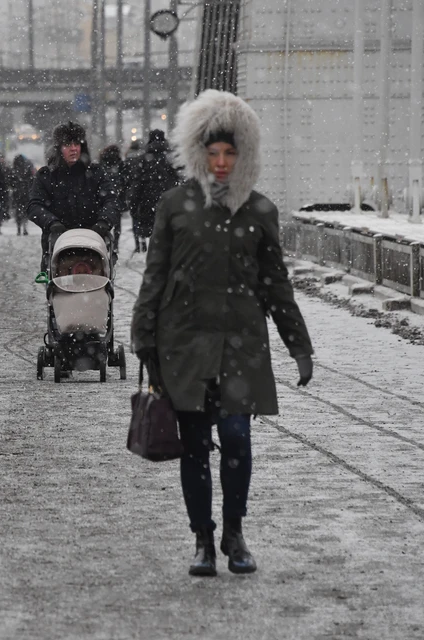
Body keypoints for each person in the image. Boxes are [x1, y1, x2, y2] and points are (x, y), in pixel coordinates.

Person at [130, 89, 314, 578]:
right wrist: (144, 338)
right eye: (213, 152)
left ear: (243, 154)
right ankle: (203, 540)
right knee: (194, 447)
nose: (222, 162)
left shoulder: (258, 211)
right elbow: (155, 275)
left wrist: (298, 344)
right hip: (184, 345)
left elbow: (276, 284)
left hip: (240, 345)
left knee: (235, 439)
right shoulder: (175, 205)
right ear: (198, 153)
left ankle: (234, 532)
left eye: (231, 152)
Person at [27, 121, 120, 274]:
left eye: (77, 144)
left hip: (94, 243)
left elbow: (111, 201)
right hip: (59, 245)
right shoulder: (46, 176)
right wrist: (52, 223)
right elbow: (34, 206)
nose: (73, 149)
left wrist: (104, 222)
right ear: (59, 148)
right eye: (67, 144)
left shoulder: (96, 173)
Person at [126, 129, 180, 253]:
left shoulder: (143, 160)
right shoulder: (172, 158)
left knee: (153, 235)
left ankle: (154, 257)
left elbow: (136, 185)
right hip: (170, 202)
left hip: (148, 203)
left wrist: (133, 205)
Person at [98, 144, 126, 257]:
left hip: (104, 196)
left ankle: (106, 243)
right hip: (117, 195)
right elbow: (124, 180)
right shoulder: (119, 163)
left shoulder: (102, 163)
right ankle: (116, 245)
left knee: (106, 220)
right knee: (117, 223)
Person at [9, 154, 35, 236]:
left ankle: (19, 228)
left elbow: (10, 182)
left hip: (17, 195)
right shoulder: (27, 169)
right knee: (24, 212)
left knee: (18, 212)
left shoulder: (14, 170)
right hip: (25, 194)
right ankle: (24, 227)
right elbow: (32, 180)